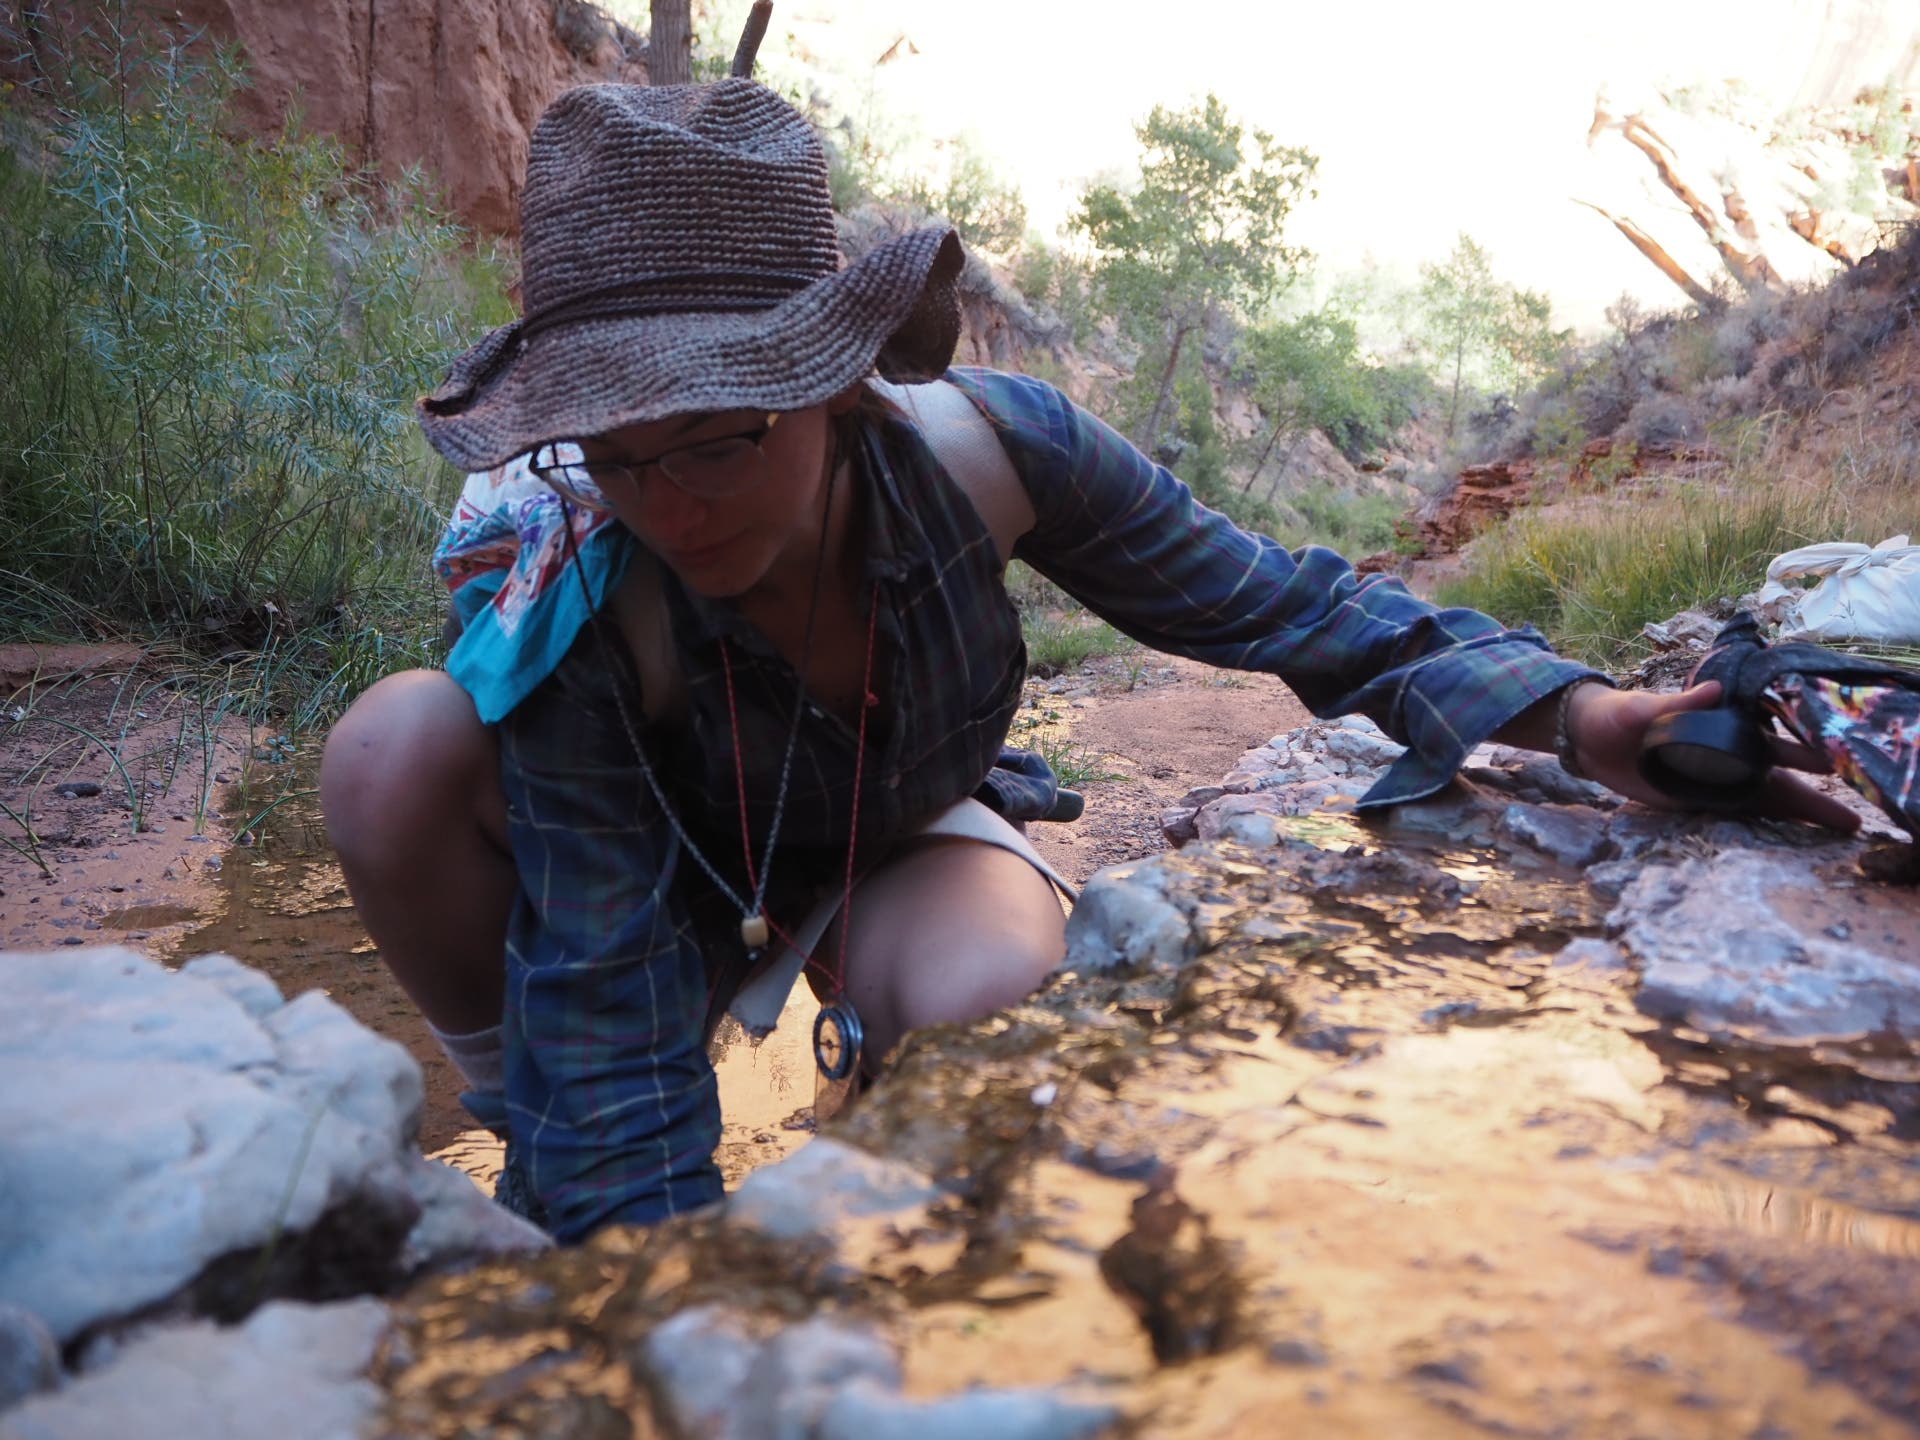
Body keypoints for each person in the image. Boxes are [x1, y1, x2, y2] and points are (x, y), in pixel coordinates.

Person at [318, 78, 1856, 1245]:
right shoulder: (589, 581)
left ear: (837, 380)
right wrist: (643, 1295)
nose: (675, 501)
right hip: (649, 876)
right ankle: (503, 1110)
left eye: (725, 433)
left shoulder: (1000, 452)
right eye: (623, 451)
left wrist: (1583, 713)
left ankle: (876, 1123)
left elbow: (1289, 608)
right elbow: (602, 961)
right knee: (398, 756)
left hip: (890, 833)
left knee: (997, 1001)